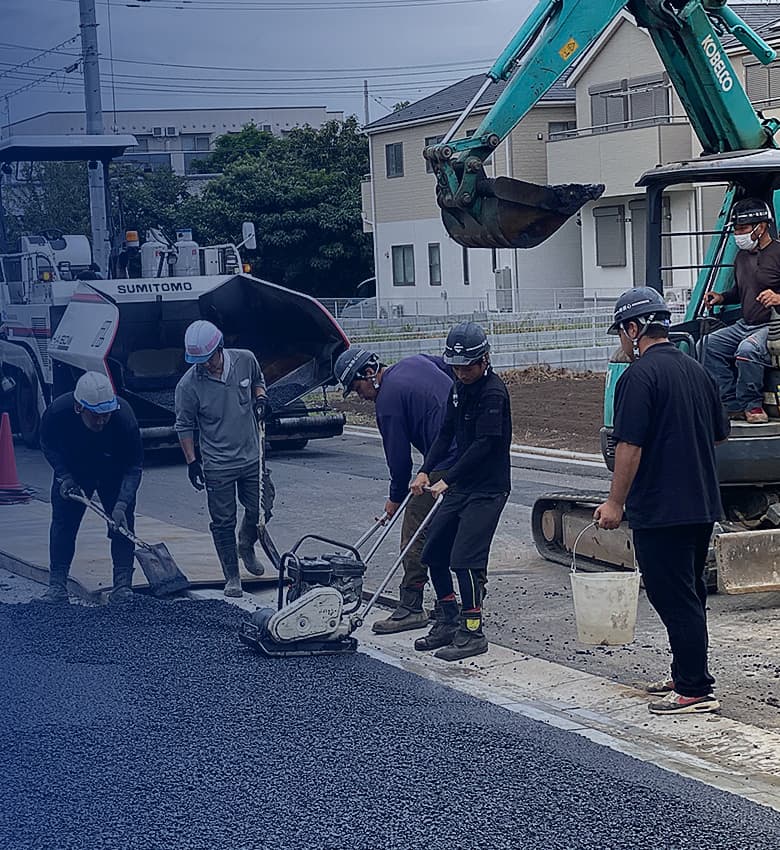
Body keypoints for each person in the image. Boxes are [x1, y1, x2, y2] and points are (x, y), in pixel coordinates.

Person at [594, 287, 729, 716]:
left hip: (661, 508)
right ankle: (686, 671)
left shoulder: (638, 377)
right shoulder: (697, 371)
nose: (622, 340)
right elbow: (719, 434)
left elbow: (629, 446)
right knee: (689, 593)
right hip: (701, 503)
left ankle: (694, 690)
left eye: (622, 331)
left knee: (673, 596)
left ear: (634, 329)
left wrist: (615, 503)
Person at [333, 348, 457, 633]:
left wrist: (395, 499)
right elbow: (449, 368)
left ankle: (412, 606)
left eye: (357, 387)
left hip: (446, 460)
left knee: (414, 531)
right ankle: (450, 602)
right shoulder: (416, 361)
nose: (360, 396)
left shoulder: (387, 401)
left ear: (369, 373)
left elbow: (399, 461)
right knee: (448, 532)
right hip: (466, 451)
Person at [411, 321, 512, 662]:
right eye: (456, 367)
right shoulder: (458, 388)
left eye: (467, 367)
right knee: (433, 551)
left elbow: (484, 445)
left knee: (465, 560)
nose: (462, 373)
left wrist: (448, 478)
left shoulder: (493, 393)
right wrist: (425, 469)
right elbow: (445, 433)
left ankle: (472, 631)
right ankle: (448, 619)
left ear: (484, 360)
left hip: (488, 489)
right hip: (463, 485)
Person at [174, 320, 270, 598]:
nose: (205, 366)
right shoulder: (188, 386)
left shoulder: (245, 360)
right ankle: (232, 576)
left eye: (209, 359)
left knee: (261, 509)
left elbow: (258, 382)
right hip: (218, 464)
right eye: (199, 362)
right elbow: (184, 425)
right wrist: (192, 462)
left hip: (251, 455)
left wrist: (261, 399)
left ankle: (246, 544)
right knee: (223, 521)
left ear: (220, 348)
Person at [39, 371, 143, 604]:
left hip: (113, 472)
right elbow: (47, 443)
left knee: (122, 525)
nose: (101, 421)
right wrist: (64, 475)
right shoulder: (57, 413)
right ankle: (57, 586)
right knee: (63, 523)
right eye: (95, 416)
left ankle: (122, 587)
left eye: (106, 415)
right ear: (79, 408)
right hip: (74, 470)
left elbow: (134, 466)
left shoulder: (124, 417)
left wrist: (121, 504)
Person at [702, 197, 780, 424]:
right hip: (745, 325)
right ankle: (730, 404)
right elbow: (741, 290)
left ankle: (752, 405)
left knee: (748, 350)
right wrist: (721, 297)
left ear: (761, 227)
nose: (737, 234)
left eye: (742, 229)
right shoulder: (741, 258)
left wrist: (778, 298)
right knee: (707, 346)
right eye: (735, 229)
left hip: (772, 326)